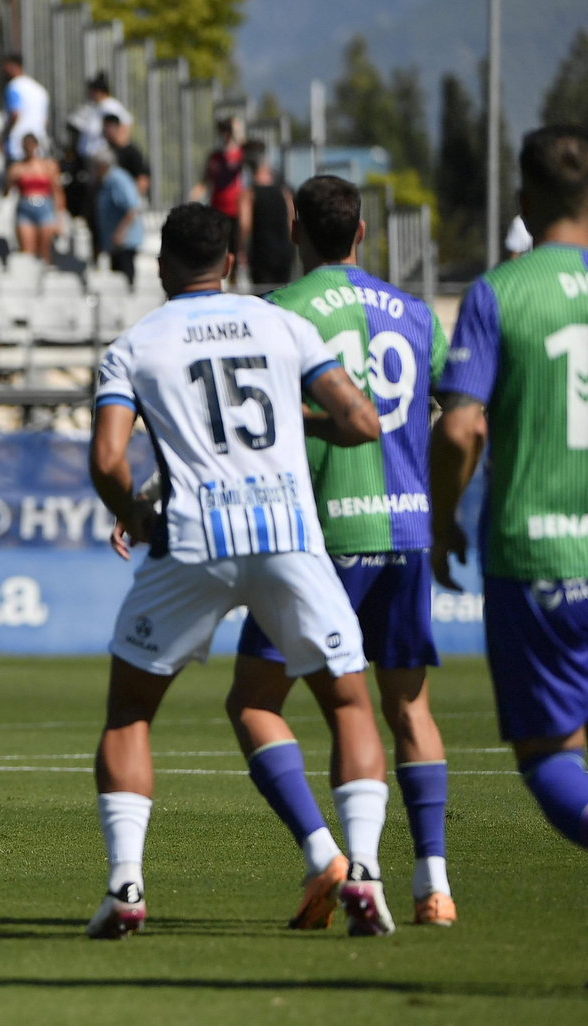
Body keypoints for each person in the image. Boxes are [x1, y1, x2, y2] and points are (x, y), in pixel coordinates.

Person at [87, 202, 389, 940]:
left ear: (162, 265)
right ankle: (368, 877)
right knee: (348, 704)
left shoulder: (134, 345)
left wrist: (137, 515)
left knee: (131, 713)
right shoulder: (283, 324)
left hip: (192, 539)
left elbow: (106, 461)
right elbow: (360, 422)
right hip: (288, 534)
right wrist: (296, 419)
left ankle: (126, 888)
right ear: (231, 262)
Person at [234, 175, 455, 926]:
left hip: (320, 539)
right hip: (408, 529)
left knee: (256, 700)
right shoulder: (420, 315)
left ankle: (329, 854)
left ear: (296, 232)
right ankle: (434, 885)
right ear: (362, 234)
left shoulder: (279, 313)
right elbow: (454, 412)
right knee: (408, 707)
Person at [431, 128, 588, 967]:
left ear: (524, 206)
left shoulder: (502, 292)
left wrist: (442, 518)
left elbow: (460, 425)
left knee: (549, 758)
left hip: (538, 554)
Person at [195, 117, 246, 279]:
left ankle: (234, 279)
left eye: (227, 132)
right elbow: (206, 180)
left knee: (234, 248)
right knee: (217, 246)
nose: (225, 136)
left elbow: (249, 149)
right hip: (217, 208)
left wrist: (237, 135)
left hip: (235, 209)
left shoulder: (240, 155)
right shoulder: (214, 158)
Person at [240, 141, 296, 290]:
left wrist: (242, 250)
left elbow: (244, 226)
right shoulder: (284, 192)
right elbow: (291, 221)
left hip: (261, 255)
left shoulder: (249, 195)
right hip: (284, 254)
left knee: (263, 297)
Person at [5, 133, 64, 263]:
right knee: (27, 252)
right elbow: (6, 191)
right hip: (26, 207)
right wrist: (10, 179)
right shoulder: (17, 167)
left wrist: (59, 218)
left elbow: (57, 191)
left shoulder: (48, 166)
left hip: (45, 207)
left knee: (44, 250)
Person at [93, 148, 143, 286]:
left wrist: (120, 233)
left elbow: (132, 208)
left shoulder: (118, 180)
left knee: (125, 280)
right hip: (114, 244)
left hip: (124, 242)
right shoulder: (106, 181)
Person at [0, 53, 51, 165]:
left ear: (13, 66)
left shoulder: (13, 87)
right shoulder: (39, 89)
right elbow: (45, 120)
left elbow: (14, 115)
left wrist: (3, 137)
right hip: (38, 146)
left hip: (17, 146)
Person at [67, 73, 131, 161]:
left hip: (101, 158)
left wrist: (119, 149)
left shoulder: (110, 106)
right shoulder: (96, 106)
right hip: (90, 158)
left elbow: (124, 126)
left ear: (100, 91)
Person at [103, 113, 150, 197]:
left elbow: (143, 179)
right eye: (105, 127)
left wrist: (130, 199)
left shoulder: (131, 152)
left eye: (110, 127)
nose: (107, 131)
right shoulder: (105, 151)